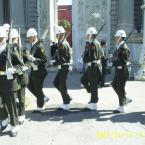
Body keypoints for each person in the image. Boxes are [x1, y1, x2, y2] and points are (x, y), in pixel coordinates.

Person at [0, 26, 20, 137]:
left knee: (11, 105)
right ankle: (4, 120)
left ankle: (14, 125)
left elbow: (20, 65)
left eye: (1, 38)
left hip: (9, 82)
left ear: (6, 38)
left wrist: (13, 70)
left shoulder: (11, 49)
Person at [50, 26, 71, 111]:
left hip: (64, 67)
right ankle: (67, 97)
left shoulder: (63, 44)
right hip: (61, 67)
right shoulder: (60, 43)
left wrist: (54, 62)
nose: (56, 36)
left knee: (62, 86)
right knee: (56, 83)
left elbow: (63, 59)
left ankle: (66, 103)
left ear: (62, 35)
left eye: (57, 34)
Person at [27, 28, 49, 113]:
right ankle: (42, 97)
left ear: (33, 36)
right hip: (34, 70)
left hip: (40, 71)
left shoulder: (39, 46)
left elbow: (45, 59)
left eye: (29, 37)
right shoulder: (34, 45)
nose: (28, 39)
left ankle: (40, 106)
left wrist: (35, 59)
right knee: (29, 85)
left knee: (38, 88)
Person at [80, 27, 102, 111]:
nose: (86, 36)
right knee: (83, 80)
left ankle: (94, 103)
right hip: (91, 67)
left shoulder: (94, 44)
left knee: (93, 85)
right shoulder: (92, 43)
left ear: (91, 34)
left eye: (87, 34)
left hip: (94, 67)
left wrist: (84, 60)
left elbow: (93, 57)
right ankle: (93, 94)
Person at [11, 28, 29, 124]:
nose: (14, 41)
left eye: (15, 38)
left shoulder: (23, 49)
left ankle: (22, 114)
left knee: (21, 98)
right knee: (14, 99)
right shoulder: (10, 50)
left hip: (22, 77)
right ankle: (16, 114)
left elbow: (28, 61)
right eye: (12, 39)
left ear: (18, 38)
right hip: (14, 77)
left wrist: (26, 66)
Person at [112, 30, 132, 113]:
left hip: (122, 70)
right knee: (114, 84)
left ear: (120, 37)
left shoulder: (124, 48)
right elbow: (117, 57)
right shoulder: (119, 46)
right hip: (118, 70)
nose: (115, 38)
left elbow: (123, 61)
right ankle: (124, 99)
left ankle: (122, 107)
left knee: (120, 88)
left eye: (116, 37)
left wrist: (114, 62)